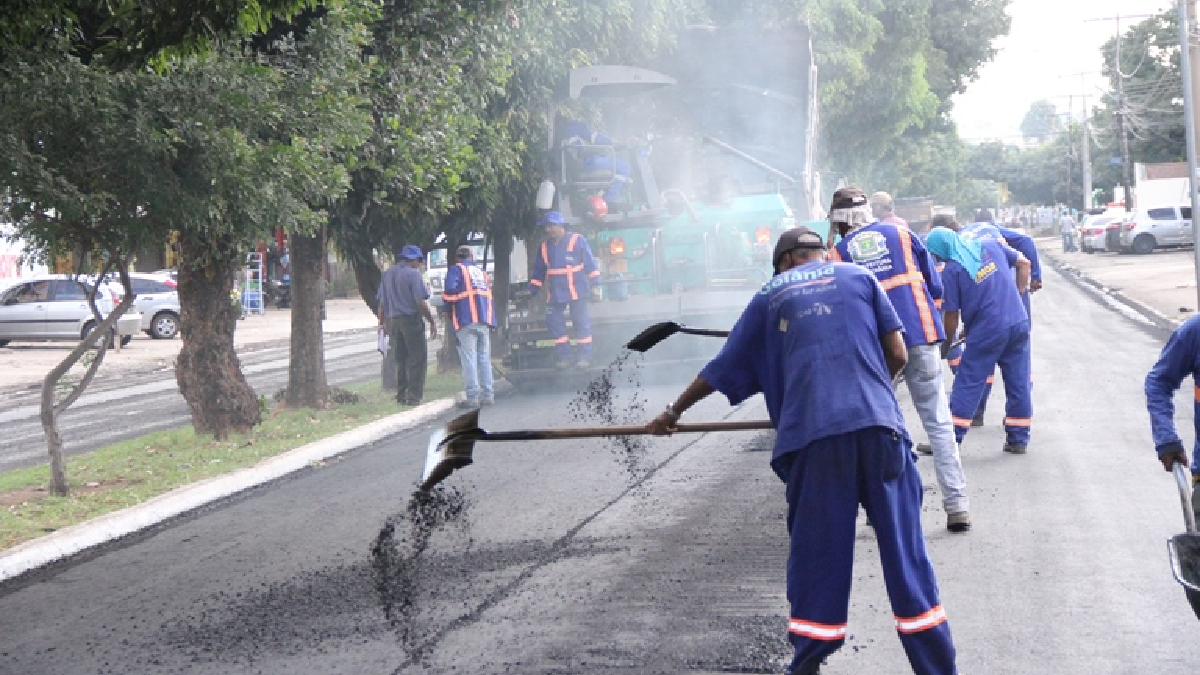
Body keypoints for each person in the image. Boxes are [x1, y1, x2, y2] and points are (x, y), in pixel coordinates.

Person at [648, 226, 958, 675]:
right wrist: (871, 393)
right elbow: (898, 352)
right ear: (821, 254)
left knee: (818, 558)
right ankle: (937, 667)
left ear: (787, 261)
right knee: (906, 554)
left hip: (816, 441)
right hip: (880, 432)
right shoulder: (859, 278)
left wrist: (672, 412)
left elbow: (720, 369)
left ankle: (808, 664)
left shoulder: (770, 296)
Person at [828, 187, 970, 532]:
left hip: (877, 347)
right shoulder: (901, 232)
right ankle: (957, 505)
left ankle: (888, 511)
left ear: (838, 220)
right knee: (937, 419)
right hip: (921, 333)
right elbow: (934, 287)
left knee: (883, 424)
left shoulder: (838, 253)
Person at [926, 227, 1033, 454]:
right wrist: (1017, 295)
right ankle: (1018, 439)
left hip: (989, 331)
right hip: (1017, 322)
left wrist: (945, 346)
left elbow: (951, 316)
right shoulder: (990, 245)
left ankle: (949, 442)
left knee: (969, 380)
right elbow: (1024, 263)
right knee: (1018, 381)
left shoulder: (952, 270)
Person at [954, 209, 1042, 426]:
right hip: (1013, 300)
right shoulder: (992, 233)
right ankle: (1019, 433)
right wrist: (1034, 280)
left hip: (988, 311)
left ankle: (975, 413)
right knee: (1018, 367)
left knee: (980, 363)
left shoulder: (959, 248)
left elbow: (968, 296)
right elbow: (1027, 245)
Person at [530, 210, 602, 368]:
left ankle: (584, 357)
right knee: (555, 324)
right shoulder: (544, 247)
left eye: (550, 226)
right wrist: (532, 290)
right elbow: (538, 271)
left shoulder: (578, 240)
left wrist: (596, 284)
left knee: (581, 323)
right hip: (555, 293)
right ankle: (565, 357)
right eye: (546, 227)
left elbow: (590, 264)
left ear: (560, 225)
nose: (547, 230)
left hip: (577, 291)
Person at [377, 244, 438, 406]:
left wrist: (381, 323)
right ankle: (414, 396)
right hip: (410, 320)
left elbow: (382, 303)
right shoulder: (413, 274)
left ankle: (401, 394)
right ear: (413, 259)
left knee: (400, 358)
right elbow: (420, 302)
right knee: (417, 358)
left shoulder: (387, 274)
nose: (419, 263)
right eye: (418, 260)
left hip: (392, 321)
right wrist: (431, 321)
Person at [442, 245, 496, 408]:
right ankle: (488, 395)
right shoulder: (481, 272)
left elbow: (450, 290)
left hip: (465, 319)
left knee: (469, 359)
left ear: (457, 258)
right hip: (484, 320)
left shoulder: (456, 270)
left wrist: (447, 309)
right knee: (484, 359)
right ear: (472, 257)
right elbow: (488, 296)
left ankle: (472, 397)